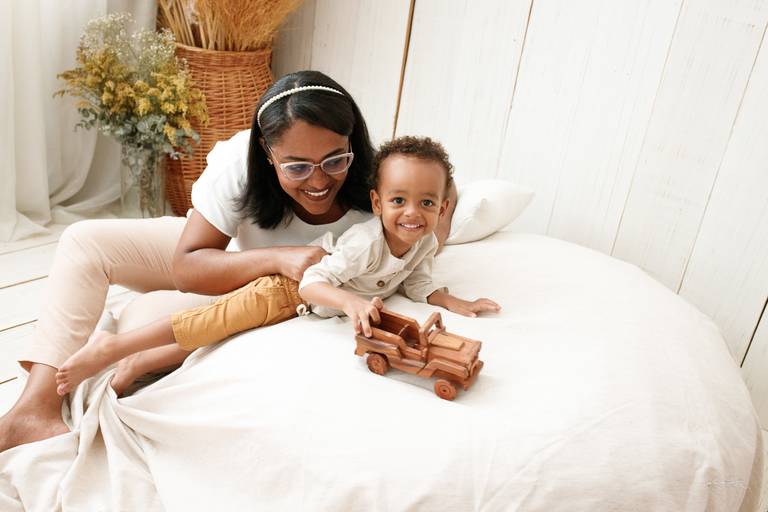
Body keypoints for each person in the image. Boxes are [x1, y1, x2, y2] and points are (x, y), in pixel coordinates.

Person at [0, 70, 457, 453]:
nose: (318, 181)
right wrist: (279, 256)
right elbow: (188, 267)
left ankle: (120, 351)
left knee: (182, 326)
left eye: (334, 160)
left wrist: (440, 222)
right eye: (297, 167)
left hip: (270, 295)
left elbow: (436, 204)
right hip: (230, 259)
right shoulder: (241, 160)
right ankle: (33, 410)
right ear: (268, 154)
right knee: (84, 240)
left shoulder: (381, 186)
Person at [53, 136, 499, 395]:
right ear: (378, 203)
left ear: (443, 209)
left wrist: (450, 300)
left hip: (305, 307)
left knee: (213, 338)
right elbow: (311, 282)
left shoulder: (423, 243)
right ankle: (113, 347)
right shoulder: (365, 244)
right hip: (285, 289)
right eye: (399, 201)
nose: (412, 214)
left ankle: (134, 365)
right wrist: (349, 302)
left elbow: (418, 279)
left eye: (427, 203)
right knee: (209, 322)